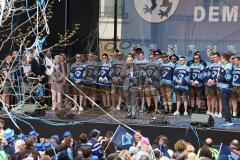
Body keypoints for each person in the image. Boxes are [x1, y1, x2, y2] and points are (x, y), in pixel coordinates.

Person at [217, 54, 233, 126]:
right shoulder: (222, 66)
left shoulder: (229, 66)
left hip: (225, 88)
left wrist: (219, 76)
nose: (220, 60)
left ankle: (228, 121)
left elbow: (228, 78)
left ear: (224, 58)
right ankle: (227, 119)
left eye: (221, 58)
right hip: (221, 87)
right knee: (224, 104)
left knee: (225, 104)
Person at [206, 52, 222, 118]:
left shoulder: (221, 65)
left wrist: (215, 80)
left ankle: (219, 112)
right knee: (213, 98)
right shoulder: (211, 65)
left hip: (219, 84)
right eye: (213, 57)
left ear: (218, 57)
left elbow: (221, 74)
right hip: (212, 84)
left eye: (215, 57)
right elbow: (209, 73)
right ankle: (213, 112)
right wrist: (210, 80)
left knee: (219, 98)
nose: (213, 58)